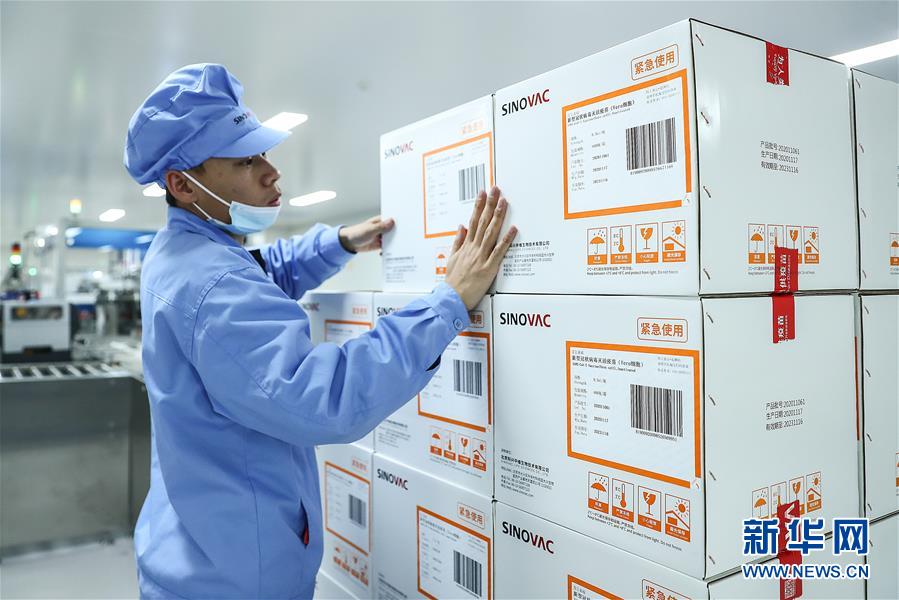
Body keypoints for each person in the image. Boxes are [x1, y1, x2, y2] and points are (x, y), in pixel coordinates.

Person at [123, 63, 516, 599]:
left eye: (263, 153)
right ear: (182, 184)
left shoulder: (183, 251)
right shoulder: (211, 284)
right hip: (234, 580)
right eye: (245, 160)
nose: (271, 173)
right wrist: (446, 303)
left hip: (197, 546)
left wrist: (338, 243)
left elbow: (258, 277)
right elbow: (325, 398)